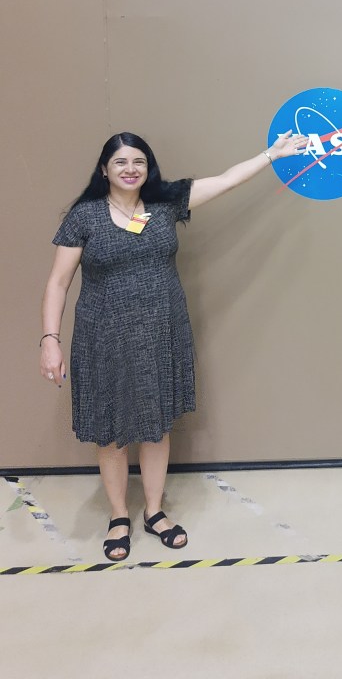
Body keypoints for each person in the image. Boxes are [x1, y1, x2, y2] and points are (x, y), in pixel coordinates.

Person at [40, 130, 306, 561]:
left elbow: (227, 180)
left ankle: (154, 511)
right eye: (121, 162)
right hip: (102, 337)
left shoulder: (165, 204)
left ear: (149, 168)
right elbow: (57, 283)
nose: (130, 169)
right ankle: (118, 516)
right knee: (110, 431)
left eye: (138, 162)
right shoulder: (84, 216)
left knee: (157, 425)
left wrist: (271, 155)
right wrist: (49, 340)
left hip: (160, 334)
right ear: (104, 169)